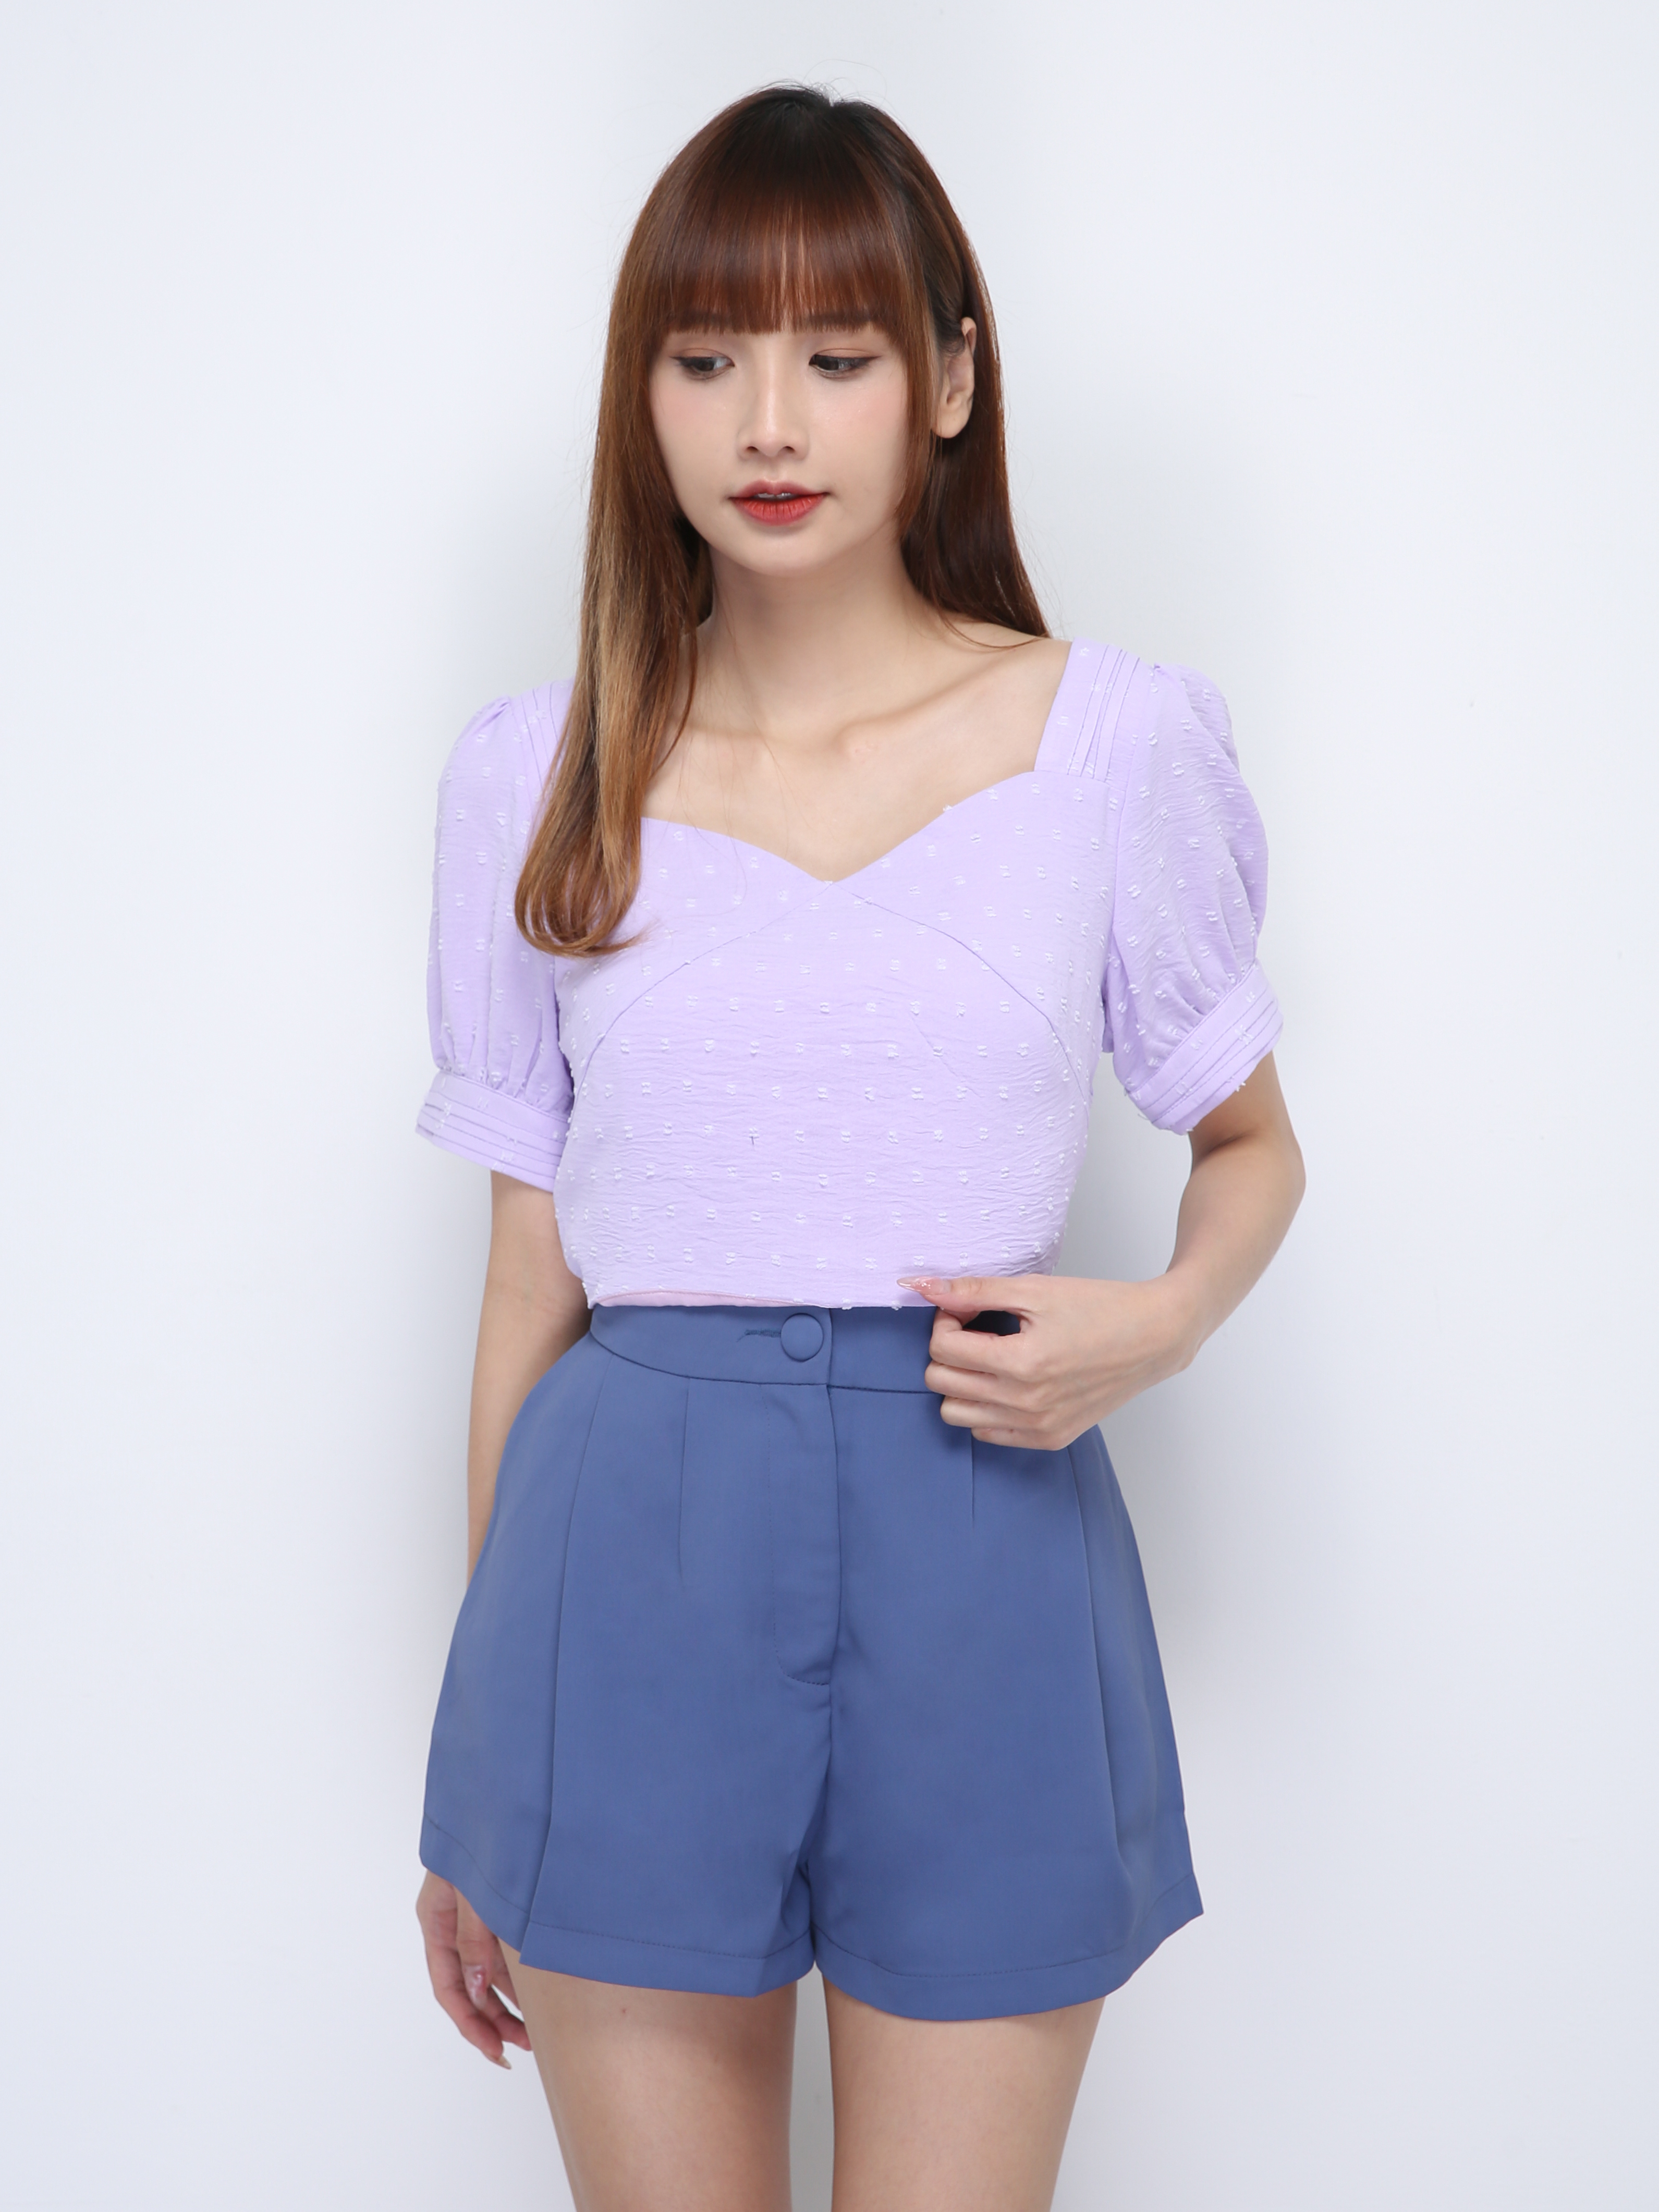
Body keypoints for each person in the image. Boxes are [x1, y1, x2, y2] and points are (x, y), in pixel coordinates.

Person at [411, 83, 1304, 2212]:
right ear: (641, 395)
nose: (767, 423)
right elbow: (528, 1267)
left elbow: (1251, 1142)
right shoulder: (540, 772)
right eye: (704, 358)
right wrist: (489, 1750)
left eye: (837, 355)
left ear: (950, 379)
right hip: (624, 1565)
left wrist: (1154, 1325)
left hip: (985, 1536)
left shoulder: (1113, 743)